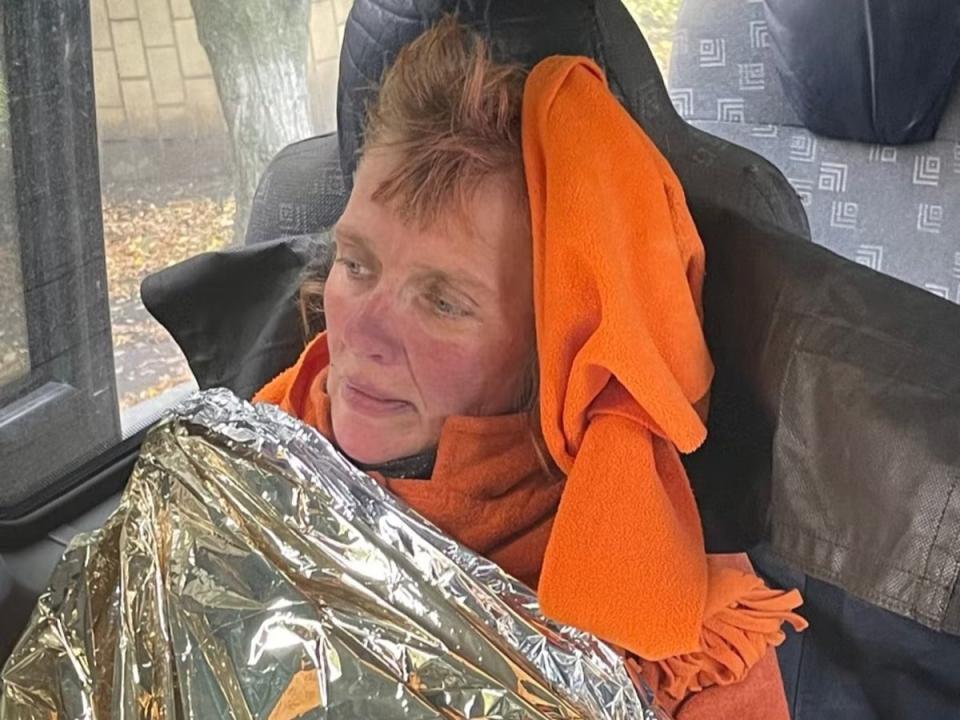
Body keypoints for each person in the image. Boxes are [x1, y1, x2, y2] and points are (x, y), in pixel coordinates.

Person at [254, 16, 805, 718]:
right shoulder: (248, 459)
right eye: (356, 264)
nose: (362, 331)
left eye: (444, 302)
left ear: (553, 358)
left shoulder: (683, 657)